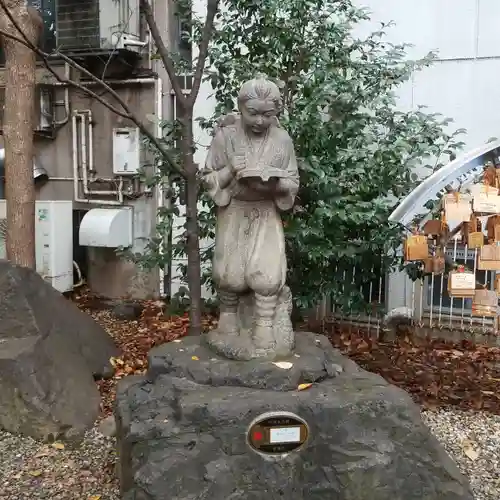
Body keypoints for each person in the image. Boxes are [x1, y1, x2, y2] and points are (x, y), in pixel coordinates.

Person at [203, 75, 299, 352]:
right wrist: (231, 169)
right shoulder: (226, 137)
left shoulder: (282, 140)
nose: (259, 121)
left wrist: (275, 182)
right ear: (241, 108)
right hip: (234, 209)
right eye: (253, 113)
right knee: (228, 270)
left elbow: (293, 181)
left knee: (268, 271)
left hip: (266, 210)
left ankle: (265, 327)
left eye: (267, 115)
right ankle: (228, 319)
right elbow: (208, 179)